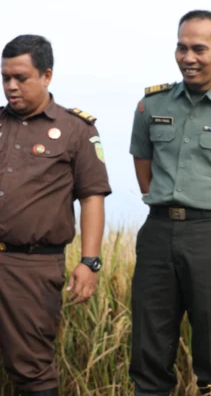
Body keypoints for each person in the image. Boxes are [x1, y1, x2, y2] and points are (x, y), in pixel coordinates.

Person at [128, 10, 211, 396]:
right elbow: (144, 172)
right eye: (182, 47)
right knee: (149, 350)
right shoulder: (152, 105)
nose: (188, 57)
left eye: (199, 48)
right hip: (158, 232)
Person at [0, 34, 112, 396]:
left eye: (21, 78)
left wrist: (90, 261)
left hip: (31, 267)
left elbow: (92, 196)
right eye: (5, 78)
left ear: (47, 76)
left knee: (31, 368)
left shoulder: (76, 129)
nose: (11, 87)